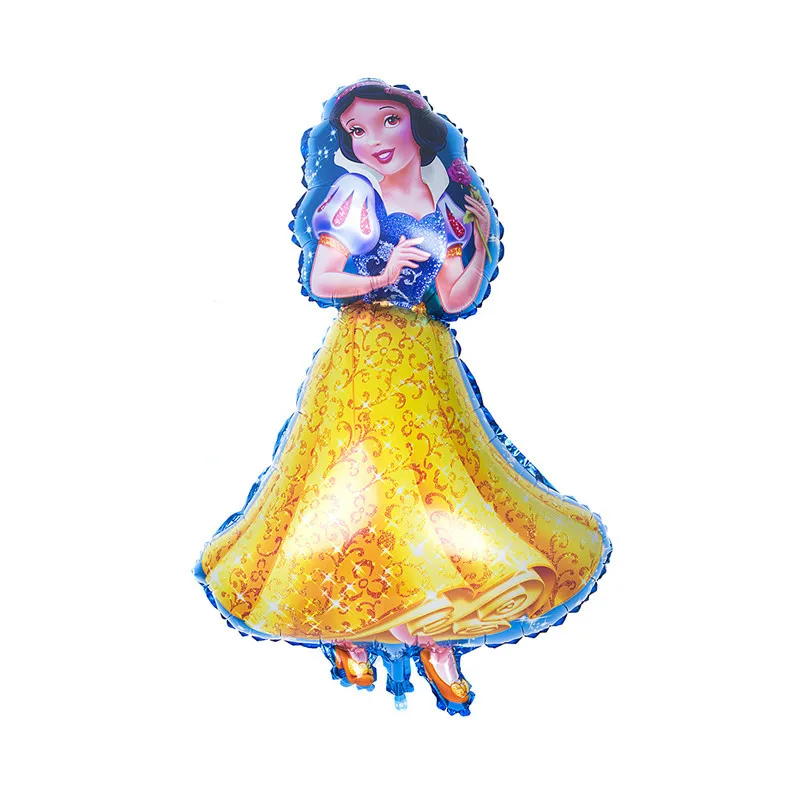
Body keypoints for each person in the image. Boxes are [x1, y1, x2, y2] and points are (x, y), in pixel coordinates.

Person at [195, 81, 610, 715]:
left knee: (436, 486)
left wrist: (481, 239)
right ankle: (345, 621)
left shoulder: (445, 207)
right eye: (358, 131)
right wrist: (384, 275)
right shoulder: (355, 196)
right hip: (364, 352)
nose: (374, 140)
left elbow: (454, 298)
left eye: (387, 121)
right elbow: (322, 278)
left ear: (416, 125)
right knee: (352, 483)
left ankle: (437, 631)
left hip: (424, 355)